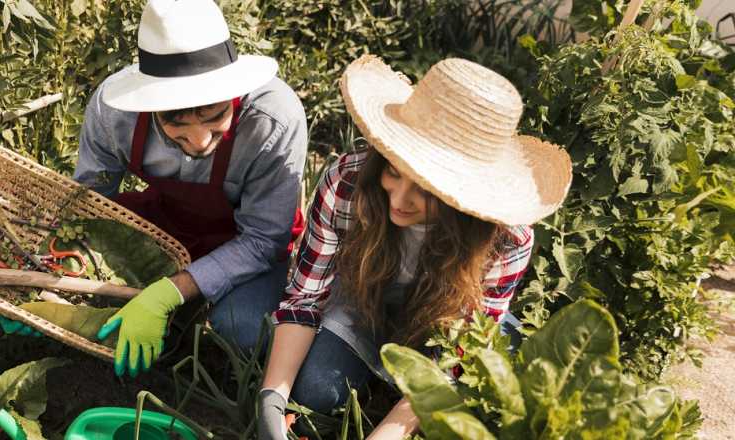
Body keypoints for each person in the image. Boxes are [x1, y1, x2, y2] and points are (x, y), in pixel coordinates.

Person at [257, 55, 572, 439]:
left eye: (425, 189)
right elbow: (305, 296)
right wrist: (272, 397)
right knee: (316, 390)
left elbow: (460, 355)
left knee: (495, 378)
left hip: (442, 328)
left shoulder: (505, 240)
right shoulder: (348, 183)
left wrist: (389, 433)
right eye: (392, 171)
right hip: (364, 304)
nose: (400, 200)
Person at [65, 0, 307, 378]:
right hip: (167, 221)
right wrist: (45, 272)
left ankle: (191, 310)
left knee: (242, 331)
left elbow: (264, 239)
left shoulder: (274, 119)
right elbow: (92, 204)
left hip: (247, 240)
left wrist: (170, 292)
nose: (198, 140)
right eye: (175, 123)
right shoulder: (113, 112)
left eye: (214, 118)